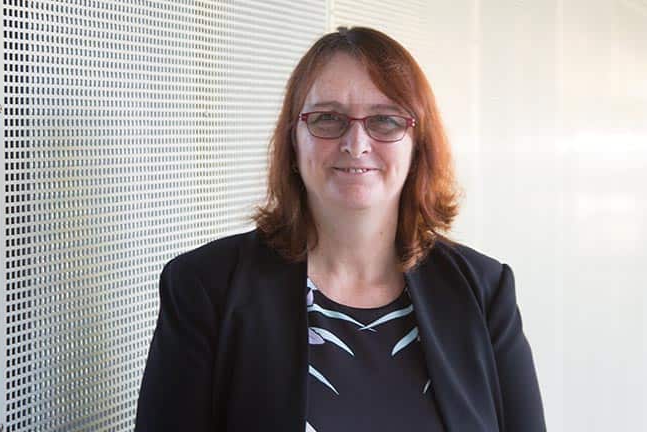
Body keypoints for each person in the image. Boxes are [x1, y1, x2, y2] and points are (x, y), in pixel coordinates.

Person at [135, 27, 546, 432]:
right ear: (293, 142)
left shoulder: (484, 292)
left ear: (418, 146)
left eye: (384, 121)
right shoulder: (207, 287)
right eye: (327, 119)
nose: (356, 142)